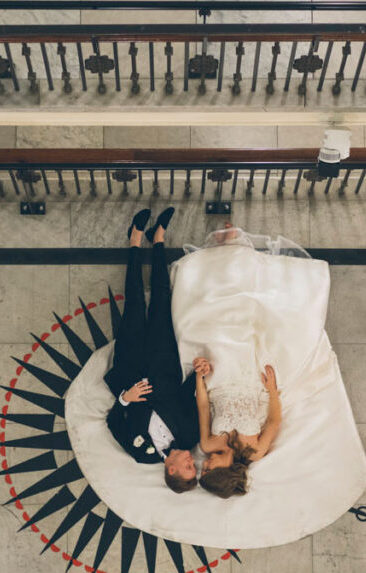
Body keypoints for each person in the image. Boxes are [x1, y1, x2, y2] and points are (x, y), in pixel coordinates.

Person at [103, 207, 201, 493]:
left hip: (130, 365)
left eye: (188, 468)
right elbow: (187, 396)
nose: (192, 463)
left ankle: (134, 241)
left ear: (171, 470)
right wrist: (199, 373)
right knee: (161, 298)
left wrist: (125, 398)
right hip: (163, 360)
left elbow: (112, 422)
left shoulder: (140, 452)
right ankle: (158, 239)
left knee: (133, 302)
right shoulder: (190, 435)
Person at [193, 357, 282, 499]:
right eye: (207, 469)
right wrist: (272, 391)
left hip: (218, 379)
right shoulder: (255, 452)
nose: (204, 462)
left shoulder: (208, 445)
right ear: (223, 472)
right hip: (252, 381)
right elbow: (273, 421)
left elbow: (203, 408)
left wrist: (199, 377)